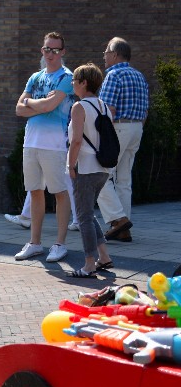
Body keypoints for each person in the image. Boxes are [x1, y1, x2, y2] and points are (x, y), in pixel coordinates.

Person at [12, 33, 73, 263]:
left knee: (59, 192)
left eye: (56, 50)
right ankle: (35, 243)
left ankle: (59, 244)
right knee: (35, 191)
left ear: (63, 52)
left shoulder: (67, 77)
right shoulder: (35, 77)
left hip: (55, 144)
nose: (51, 54)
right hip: (31, 142)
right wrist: (35, 104)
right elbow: (19, 109)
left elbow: (51, 104)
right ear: (42, 50)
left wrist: (31, 103)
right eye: (48, 49)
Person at [97, 37, 149, 243]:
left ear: (116, 54)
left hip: (118, 127)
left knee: (99, 174)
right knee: (124, 179)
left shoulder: (113, 75)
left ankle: (118, 220)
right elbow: (145, 110)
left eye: (106, 52)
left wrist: (99, 134)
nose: (104, 56)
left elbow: (108, 109)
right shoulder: (139, 76)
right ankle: (122, 228)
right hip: (137, 127)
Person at [65, 63, 114, 277]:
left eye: (75, 80)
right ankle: (104, 256)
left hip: (85, 167)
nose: (72, 84)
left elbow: (76, 141)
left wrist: (70, 165)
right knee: (88, 213)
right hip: (103, 168)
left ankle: (89, 264)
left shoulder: (79, 107)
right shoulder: (104, 106)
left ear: (84, 83)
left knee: (83, 217)